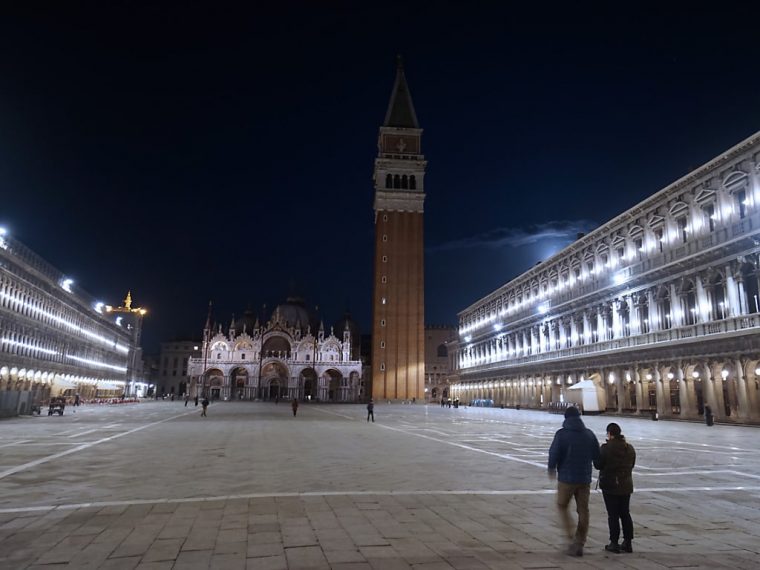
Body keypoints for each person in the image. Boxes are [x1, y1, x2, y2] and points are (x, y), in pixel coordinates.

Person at [548, 406, 600, 557]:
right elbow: (597, 456)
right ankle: (580, 541)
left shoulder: (562, 434)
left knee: (562, 505)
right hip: (584, 478)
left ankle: (571, 537)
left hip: (566, 478)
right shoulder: (589, 434)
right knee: (584, 510)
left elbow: (554, 452)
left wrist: (551, 468)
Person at [594, 422, 636, 554]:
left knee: (613, 515)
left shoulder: (606, 448)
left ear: (610, 434)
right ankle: (628, 542)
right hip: (626, 485)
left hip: (610, 485)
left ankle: (614, 542)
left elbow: (598, 464)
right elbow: (632, 464)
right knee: (625, 513)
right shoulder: (629, 448)